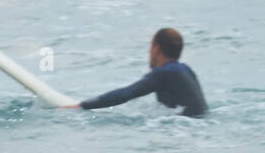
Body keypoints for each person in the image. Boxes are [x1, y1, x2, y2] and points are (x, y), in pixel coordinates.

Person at [64, 28, 207, 117]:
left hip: (183, 130)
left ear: (156, 48)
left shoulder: (164, 73)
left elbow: (127, 93)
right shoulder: (186, 70)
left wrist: (83, 105)